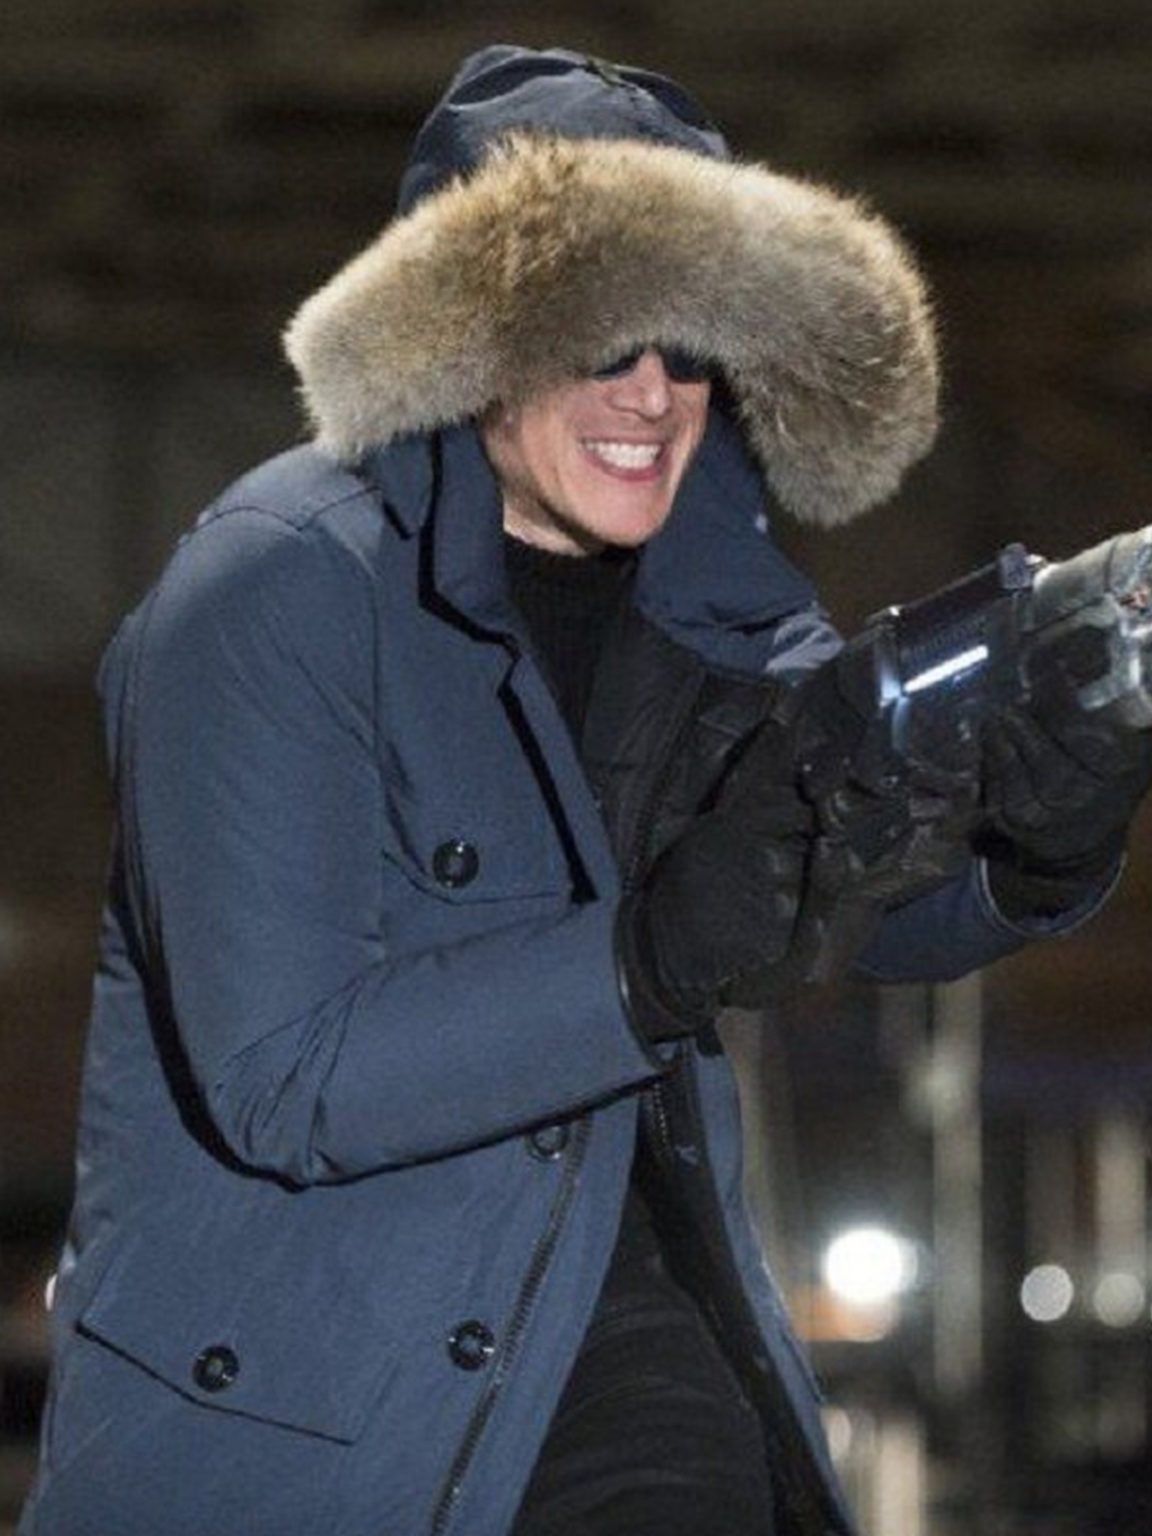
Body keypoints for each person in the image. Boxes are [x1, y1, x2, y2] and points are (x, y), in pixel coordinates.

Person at [20, 45, 1151, 1536]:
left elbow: (838, 892)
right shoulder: (272, 589)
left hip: (631, 1329)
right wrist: (647, 958)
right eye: (602, 338)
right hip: (319, 1402)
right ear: (470, 341)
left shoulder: (717, 607)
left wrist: (1037, 840)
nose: (653, 395)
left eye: (692, 347)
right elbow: (286, 1078)